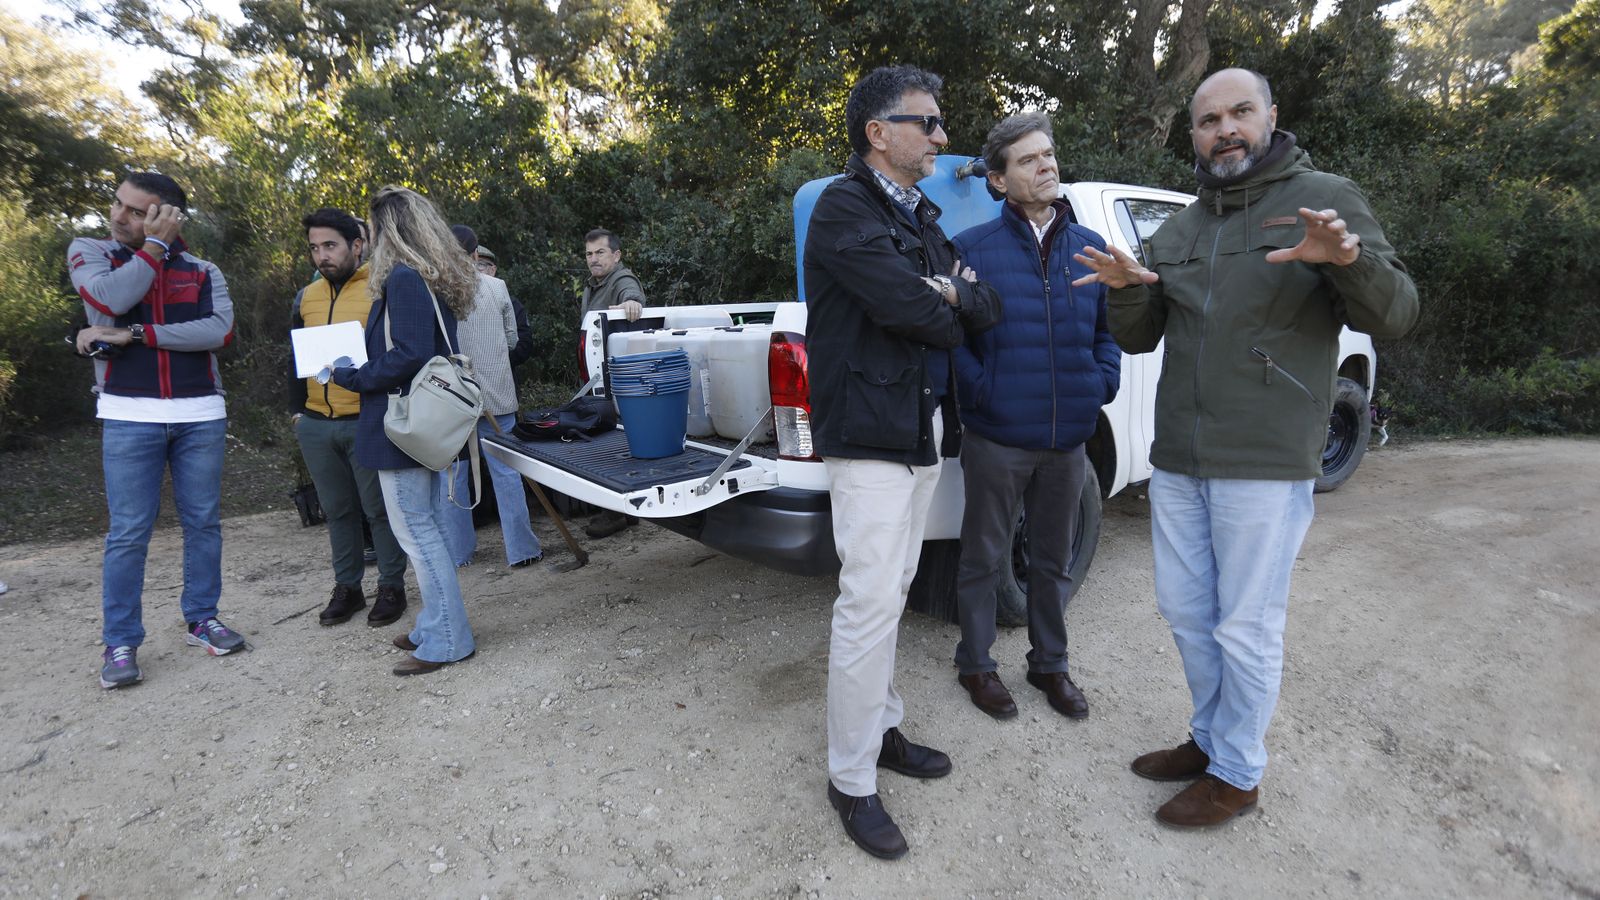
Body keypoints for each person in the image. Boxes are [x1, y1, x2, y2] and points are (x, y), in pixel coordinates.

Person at [1073, 68, 1419, 827]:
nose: (1223, 128)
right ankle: (1209, 737)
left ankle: (1237, 774)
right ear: (1192, 135)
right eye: (1207, 119)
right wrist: (1130, 286)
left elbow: (1396, 314)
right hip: (1180, 459)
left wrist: (1346, 260)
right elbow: (1138, 336)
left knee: (1246, 623)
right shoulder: (1186, 226)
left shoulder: (1323, 198)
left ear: (1270, 116)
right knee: (1189, 612)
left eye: (1239, 112)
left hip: (1262, 460)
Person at [804, 65, 1001, 859]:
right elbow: (919, 309)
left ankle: (883, 732)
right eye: (927, 122)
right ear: (878, 133)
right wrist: (947, 297)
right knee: (868, 605)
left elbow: (980, 306)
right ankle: (850, 780)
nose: (942, 137)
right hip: (871, 438)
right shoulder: (842, 207)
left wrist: (952, 296)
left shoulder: (919, 212)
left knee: (890, 595)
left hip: (919, 432)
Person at [948, 112, 1120, 722]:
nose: (1046, 165)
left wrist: (1100, 383)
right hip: (997, 436)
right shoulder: (970, 251)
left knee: (1054, 558)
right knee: (984, 556)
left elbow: (1108, 333)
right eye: (1028, 159)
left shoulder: (1090, 252)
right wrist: (984, 391)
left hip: (1068, 438)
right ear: (997, 181)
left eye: (1048, 154)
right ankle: (976, 664)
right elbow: (952, 341)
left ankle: (1050, 663)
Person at [70, 171, 244, 689]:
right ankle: (121, 641)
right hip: (128, 414)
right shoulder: (93, 251)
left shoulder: (202, 269)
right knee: (128, 534)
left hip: (200, 413)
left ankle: (202, 617)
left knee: (204, 524)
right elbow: (110, 301)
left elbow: (219, 331)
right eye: (118, 204)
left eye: (137, 211)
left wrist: (137, 335)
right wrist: (151, 250)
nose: (119, 216)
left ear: (168, 217)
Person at [331, 186, 480, 676]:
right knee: (427, 527)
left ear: (386, 229)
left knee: (419, 533)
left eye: (370, 229)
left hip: (402, 426)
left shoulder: (404, 279)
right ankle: (433, 624)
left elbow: (410, 354)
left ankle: (448, 639)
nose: (366, 238)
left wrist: (352, 376)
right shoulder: (427, 276)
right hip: (419, 423)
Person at [290, 207, 409, 627]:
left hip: (366, 418)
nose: (322, 255)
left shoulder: (380, 288)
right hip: (317, 423)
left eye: (330, 246)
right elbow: (295, 356)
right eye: (315, 248)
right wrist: (297, 412)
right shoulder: (306, 296)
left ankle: (392, 586)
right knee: (336, 510)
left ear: (357, 246)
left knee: (378, 510)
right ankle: (348, 587)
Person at [440, 224, 542, 569]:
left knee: (454, 476)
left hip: (452, 398)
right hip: (496, 393)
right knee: (507, 473)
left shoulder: (434, 289)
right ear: (473, 255)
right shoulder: (497, 287)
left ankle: (459, 553)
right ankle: (522, 550)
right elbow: (513, 339)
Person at [580, 227, 643, 538]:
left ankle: (613, 514)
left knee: (608, 443)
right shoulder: (593, 285)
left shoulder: (621, 279)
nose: (594, 259)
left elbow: (632, 298)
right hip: (598, 377)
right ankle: (626, 511)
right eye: (589, 254)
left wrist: (631, 305)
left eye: (600, 252)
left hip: (614, 380)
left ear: (616, 255)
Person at [473, 245, 535, 372]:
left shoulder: (511, 304)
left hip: (501, 376)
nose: (475, 270)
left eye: (480, 265)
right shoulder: (458, 301)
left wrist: (497, 361)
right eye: (471, 264)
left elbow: (524, 344)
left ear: (493, 270)